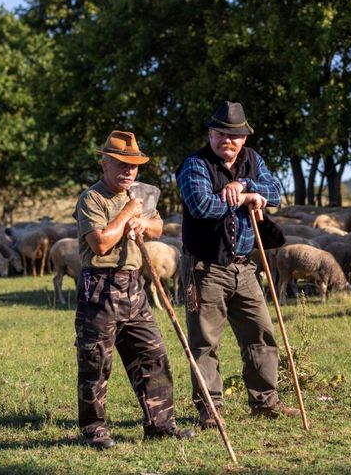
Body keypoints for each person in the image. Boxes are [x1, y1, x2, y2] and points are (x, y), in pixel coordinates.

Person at [176, 101, 301, 430]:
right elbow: (203, 206)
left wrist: (246, 185)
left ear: (243, 138)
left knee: (260, 333)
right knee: (205, 341)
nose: (226, 141)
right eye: (219, 134)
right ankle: (210, 409)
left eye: (233, 136)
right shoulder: (195, 164)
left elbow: (275, 192)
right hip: (205, 268)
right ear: (210, 134)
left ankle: (265, 401)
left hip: (244, 267)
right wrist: (245, 200)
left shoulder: (253, 160)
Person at [73, 130, 195, 449]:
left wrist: (143, 223)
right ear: (105, 164)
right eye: (122, 165)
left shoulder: (139, 194)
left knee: (152, 353)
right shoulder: (92, 198)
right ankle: (93, 430)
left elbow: (157, 226)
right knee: (96, 360)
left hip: (133, 285)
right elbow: (99, 243)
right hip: (100, 287)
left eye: (134, 166)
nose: (129, 172)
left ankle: (160, 424)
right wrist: (128, 213)